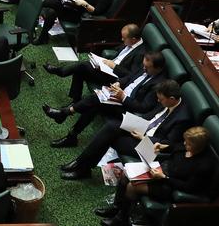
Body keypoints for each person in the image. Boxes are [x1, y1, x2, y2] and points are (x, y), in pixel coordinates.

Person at [61, 80, 192, 182]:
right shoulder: (166, 101)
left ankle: (81, 166)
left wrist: (143, 137)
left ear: (172, 99)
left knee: (110, 136)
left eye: (161, 99)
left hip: (151, 148)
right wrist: (134, 123)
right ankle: (82, 166)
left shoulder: (183, 118)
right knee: (111, 126)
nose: (158, 101)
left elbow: (168, 144)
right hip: (142, 129)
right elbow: (150, 116)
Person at [43, 51, 168, 155]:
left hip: (129, 110)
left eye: (147, 68)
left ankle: (65, 114)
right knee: (96, 103)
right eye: (143, 66)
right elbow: (130, 78)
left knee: (97, 100)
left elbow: (143, 108)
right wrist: (119, 83)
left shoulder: (159, 84)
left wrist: (123, 97)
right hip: (119, 97)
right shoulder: (145, 68)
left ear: (158, 68)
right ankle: (71, 135)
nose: (144, 69)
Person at [97, 126, 217, 225]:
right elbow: (176, 146)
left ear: (199, 147)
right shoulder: (187, 145)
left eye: (189, 144)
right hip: (160, 171)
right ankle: (116, 208)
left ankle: (120, 218)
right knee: (125, 175)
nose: (185, 144)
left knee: (132, 186)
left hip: (169, 185)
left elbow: (189, 187)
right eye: (185, 140)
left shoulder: (204, 165)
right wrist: (163, 146)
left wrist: (165, 178)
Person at [44, 24, 145, 105]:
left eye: (124, 38)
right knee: (80, 69)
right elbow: (117, 53)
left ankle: (62, 72)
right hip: (107, 69)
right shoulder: (130, 42)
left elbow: (131, 75)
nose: (122, 40)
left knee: (82, 66)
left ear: (133, 39)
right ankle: (76, 101)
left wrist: (114, 66)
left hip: (115, 80)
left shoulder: (140, 54)